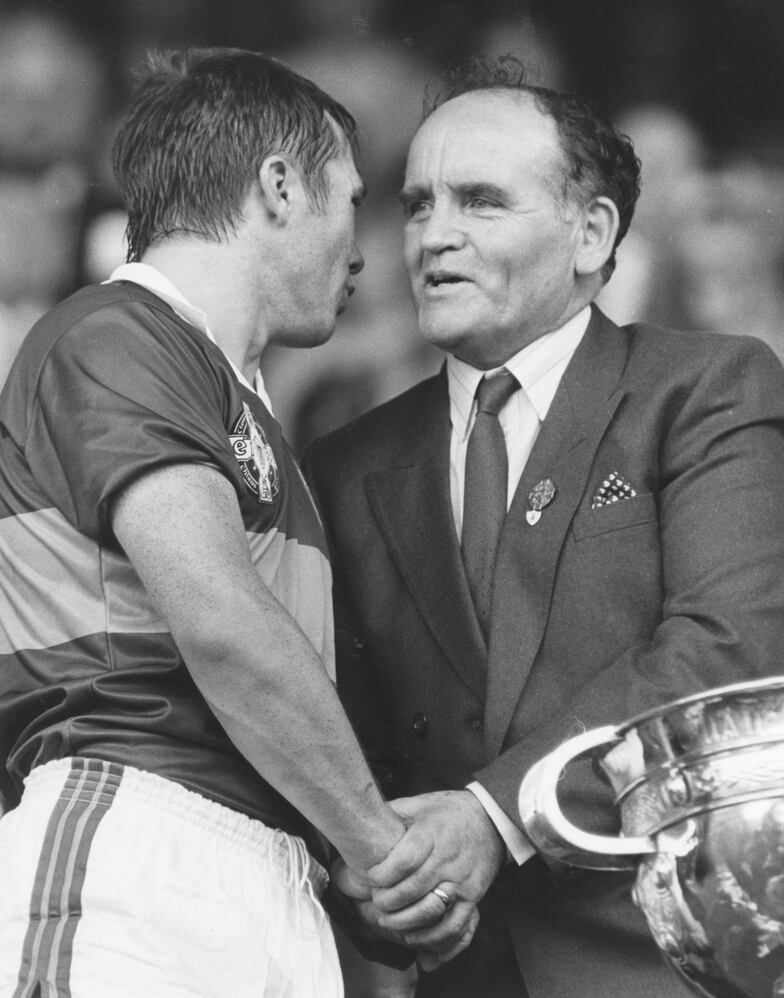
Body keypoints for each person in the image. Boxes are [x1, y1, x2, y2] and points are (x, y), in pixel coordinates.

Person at [303, 60, 784, 998]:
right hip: (464, 971)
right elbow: (349, 738)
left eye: (481, 201)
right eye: (416, 205)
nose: (433, 236)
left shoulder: (704, 389)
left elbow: (728, 651)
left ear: (592, 232)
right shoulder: (348, 460)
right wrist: (377, 876)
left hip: (665, 959)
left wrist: (493, 819)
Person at [0, 48, 472, 997]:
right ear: (280, 186)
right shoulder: (118, 332)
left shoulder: (244, 405)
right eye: (352, 200)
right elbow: (220, 621)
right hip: (136, 844)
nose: (365, 248)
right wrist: (382, 847)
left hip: (265, 874)